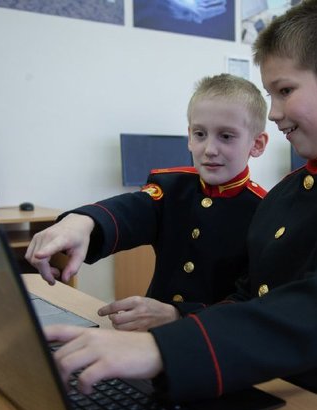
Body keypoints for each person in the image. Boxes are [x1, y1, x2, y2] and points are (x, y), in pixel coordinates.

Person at [44, 1, 317, 410]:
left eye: (285, 91)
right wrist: (176, 327)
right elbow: (253, 297)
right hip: (270, 384)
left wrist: (163, 349)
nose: (274, 113)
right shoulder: (287, 192)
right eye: (271, 95)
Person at [26, 73, 269, 331]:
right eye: (200, 134)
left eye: (226, 136)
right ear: (189, 136)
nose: (209, 149)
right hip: (151, 336)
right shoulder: (173, 189)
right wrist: (83, 221)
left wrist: (179, 315)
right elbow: (132, 211)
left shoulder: (264, 212)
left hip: (215, 342)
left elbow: (251, 305)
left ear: (257, 144)